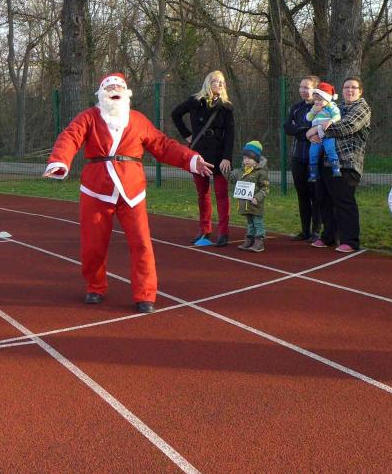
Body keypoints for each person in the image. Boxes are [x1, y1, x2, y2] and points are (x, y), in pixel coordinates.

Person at [43, 73, 213, 314]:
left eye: (118, 87)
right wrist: (59, 161)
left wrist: (192, 159)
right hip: (96, 190)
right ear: (101, 94)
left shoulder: (138, 120)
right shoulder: (89, 117)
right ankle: (95, 286)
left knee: (142, 243)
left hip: (132, 190)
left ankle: (145, 294)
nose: (114, 90)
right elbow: (70, 136)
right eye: (109, 87)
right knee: (93, 245)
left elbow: (162, 145)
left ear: (126, 93)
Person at [171, 70, 235, 246]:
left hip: (220, 155)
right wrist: (187, 135)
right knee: (203, 194)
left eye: (222, 82)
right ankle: (205, 230)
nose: (220, 84)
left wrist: (227, 157)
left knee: (222, 194)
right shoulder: (195, 101)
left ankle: (223, 232)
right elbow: (175, 114)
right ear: (208, 83)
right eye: (216, 81)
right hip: (199, 154)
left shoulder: (226, 107)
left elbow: (230, 134)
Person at [308, 76, 371, 253]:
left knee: (344, 202)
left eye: (353, 87)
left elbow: (347, 126)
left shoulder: (362, 108)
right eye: (346, 87)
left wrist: (316, 130)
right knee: (324, 199)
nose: (349, 90)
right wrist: (312, 131)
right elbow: (318, 118)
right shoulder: (336, 106)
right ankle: (329, 236)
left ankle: (350, 240)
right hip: (326, 161)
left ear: (360, 91)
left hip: (347, 163)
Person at [283, 75, 321, 241]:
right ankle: (305, 231)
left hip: (315, 158)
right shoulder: (296, 108)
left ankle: (316, 231)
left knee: (316, 194)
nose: (303, 90)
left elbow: (318, 129)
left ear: (315, 89)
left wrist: (302, 129)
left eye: (307, 87)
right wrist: (305, 131)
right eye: (301, 87)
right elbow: (287, 127)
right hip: (297, 157)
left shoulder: (320, 107)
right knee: (302, 194)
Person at [229, 141, 270, 253]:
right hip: (245, 204)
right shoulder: (241, 171)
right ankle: (249, 239)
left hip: (255, 204)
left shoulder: (261, 172)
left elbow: (266, 188)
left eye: (249, 158)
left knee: (258, 222)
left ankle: (259, 241)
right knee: (250, 223)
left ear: (256, 159)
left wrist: (257, 198)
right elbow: (231, 178)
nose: (246, 160)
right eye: (244, 158)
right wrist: (225, 170)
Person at [306, 82, 341, 181]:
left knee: (330, 150)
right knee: (312, 153)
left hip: (327, 134)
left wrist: (331, 121)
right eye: (315, 100)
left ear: (327, 99)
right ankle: (313, 174)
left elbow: (337, 116)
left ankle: (336, 169)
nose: (317, 102)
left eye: (320, 100)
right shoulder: (314, 108)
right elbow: (308, 118)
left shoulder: (331, 107)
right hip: (316, 135)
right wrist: (313, 111)